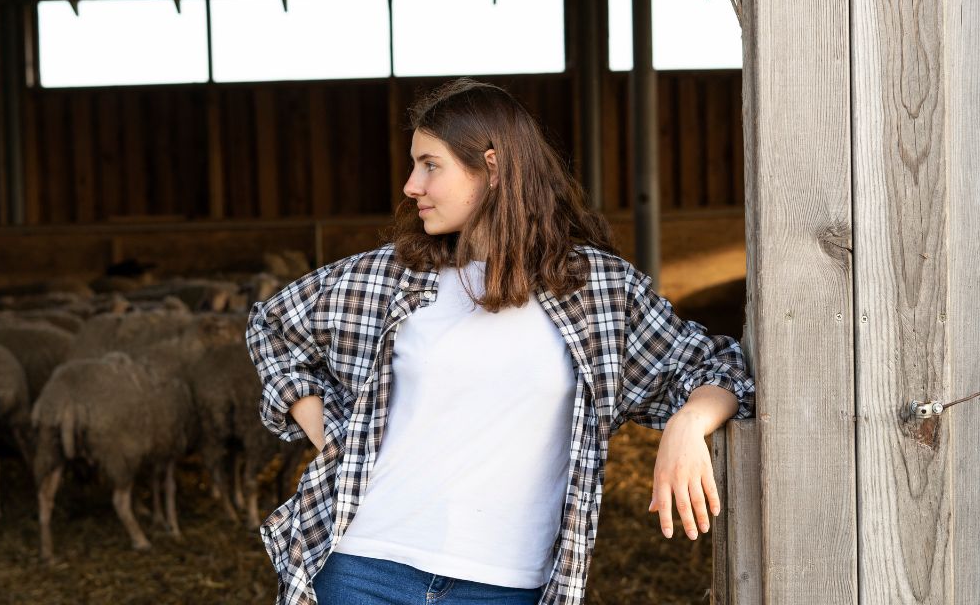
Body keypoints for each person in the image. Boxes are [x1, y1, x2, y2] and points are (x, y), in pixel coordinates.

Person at [245, 78, 755, 605]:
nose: (411, 186)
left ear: (492, 168)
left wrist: (688, 424)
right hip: (362, 568)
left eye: (430, 165)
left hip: (503, 586)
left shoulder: (597, 292)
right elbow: (273, 326)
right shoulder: (389, 277)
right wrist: (333, 434)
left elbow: (719, 367)